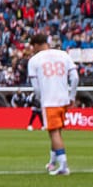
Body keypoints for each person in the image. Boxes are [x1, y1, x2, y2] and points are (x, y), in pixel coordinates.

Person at [27, 33, 78, 176]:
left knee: (53, 132)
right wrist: (72, 96)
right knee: (56, 131)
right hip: (63, 99)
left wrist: (39, 97)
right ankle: (53, 162)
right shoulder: (63, 55)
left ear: (36, 45)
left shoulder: (34, 60)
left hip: (49, 100)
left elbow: (36, 88)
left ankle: (63, 166)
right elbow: (75, 78)